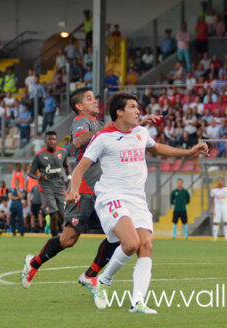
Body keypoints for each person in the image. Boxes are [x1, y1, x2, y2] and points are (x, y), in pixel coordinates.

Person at [69, 92, 208, 313]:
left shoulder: (141, 132)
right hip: (111, 197)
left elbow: (157, 148)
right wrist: (74, 189)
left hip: (137, 199)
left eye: (137, 107)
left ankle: (137, 302)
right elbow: (81, 167)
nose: (138, 111)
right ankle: (103, 281)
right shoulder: (103, 137)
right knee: (131, 243)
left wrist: (188, 152)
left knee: (146, 245)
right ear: (119, 112)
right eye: (133, 107)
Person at [21, 88, 120, 290]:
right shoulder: (81, 122)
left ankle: (90, 274)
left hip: (102, 192)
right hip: (83, 190)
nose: (95, 101)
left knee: (119, 234)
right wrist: (107, 128)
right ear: (79, 106)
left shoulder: (99, 124)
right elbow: (78, 141)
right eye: (89, 98)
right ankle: (33, 263)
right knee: (68, 240)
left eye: (95, 97)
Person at [27, 130, 69, 237]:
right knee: (53, 214)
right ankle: (54, 239)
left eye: (54, 139)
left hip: (60, 186)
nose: (52, 141)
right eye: (49, 139)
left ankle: (51, 226)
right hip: (46, 187)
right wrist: (38, 177)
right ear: (45, 141)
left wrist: (69, 179)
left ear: (56, 141)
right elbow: (30, 172)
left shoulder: (62, 152)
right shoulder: (39, 156)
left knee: (62, 215)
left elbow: (66, 166)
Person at [210, 177, 227, 241]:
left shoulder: (226, 189)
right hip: (217, 208)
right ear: (217, 182)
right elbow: (212, 200)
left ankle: (226, 237)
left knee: (226, 222)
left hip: (225, 207)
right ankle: (215, 237)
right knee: (216, 222)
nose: (220, 182)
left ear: (223, 182)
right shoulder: (213, 190)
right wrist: (212, 208)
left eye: (221, 181)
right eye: (219, 181)